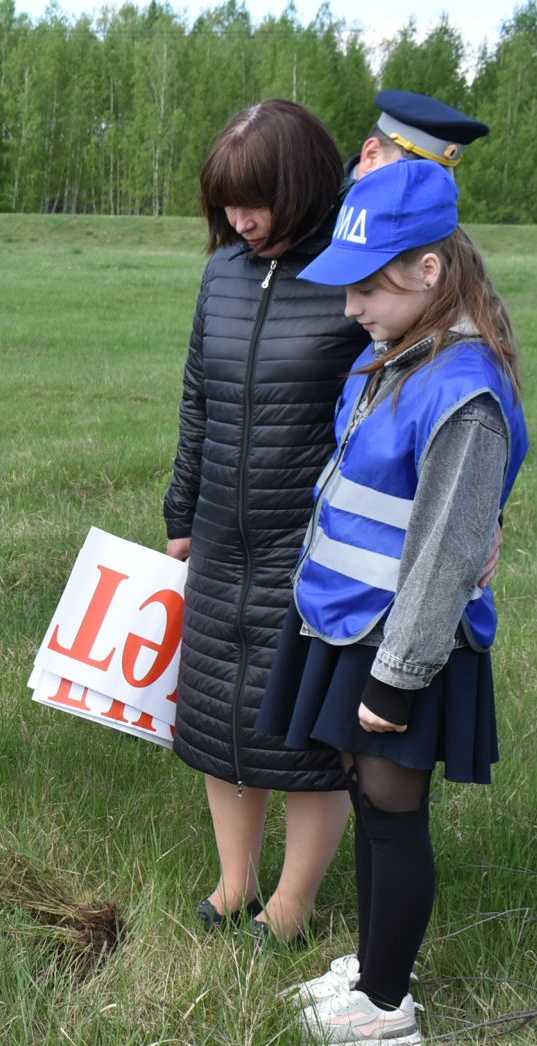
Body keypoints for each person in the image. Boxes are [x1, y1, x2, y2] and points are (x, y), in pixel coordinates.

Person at [262, 160, 529, 1046]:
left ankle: (385, 1011)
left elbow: (449, 547)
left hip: (403, 641)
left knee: (392, 807)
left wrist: (399, 675)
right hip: (354, 623)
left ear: (428, 272)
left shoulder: (463, 390)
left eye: (367, 288)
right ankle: (377, 969)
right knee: (364, 796)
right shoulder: (400, 356)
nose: (350, 310)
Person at [163, 101, 368, 942]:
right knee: (221, 718)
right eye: (226, 206)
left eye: (255, 203)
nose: (240, 222)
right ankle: (236, 881)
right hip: (220, 536)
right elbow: (198, 397)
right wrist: (182, 510)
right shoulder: (222, 274)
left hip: (312, 544)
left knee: (304, 733)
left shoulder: (356, 274)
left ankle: (293, 900)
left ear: (304, 186)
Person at [350, 90, 490, 180]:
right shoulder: (328, 209)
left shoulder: (442, 226)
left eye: (441, 180)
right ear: (371, 155)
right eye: (418, 176)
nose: (432, 192)